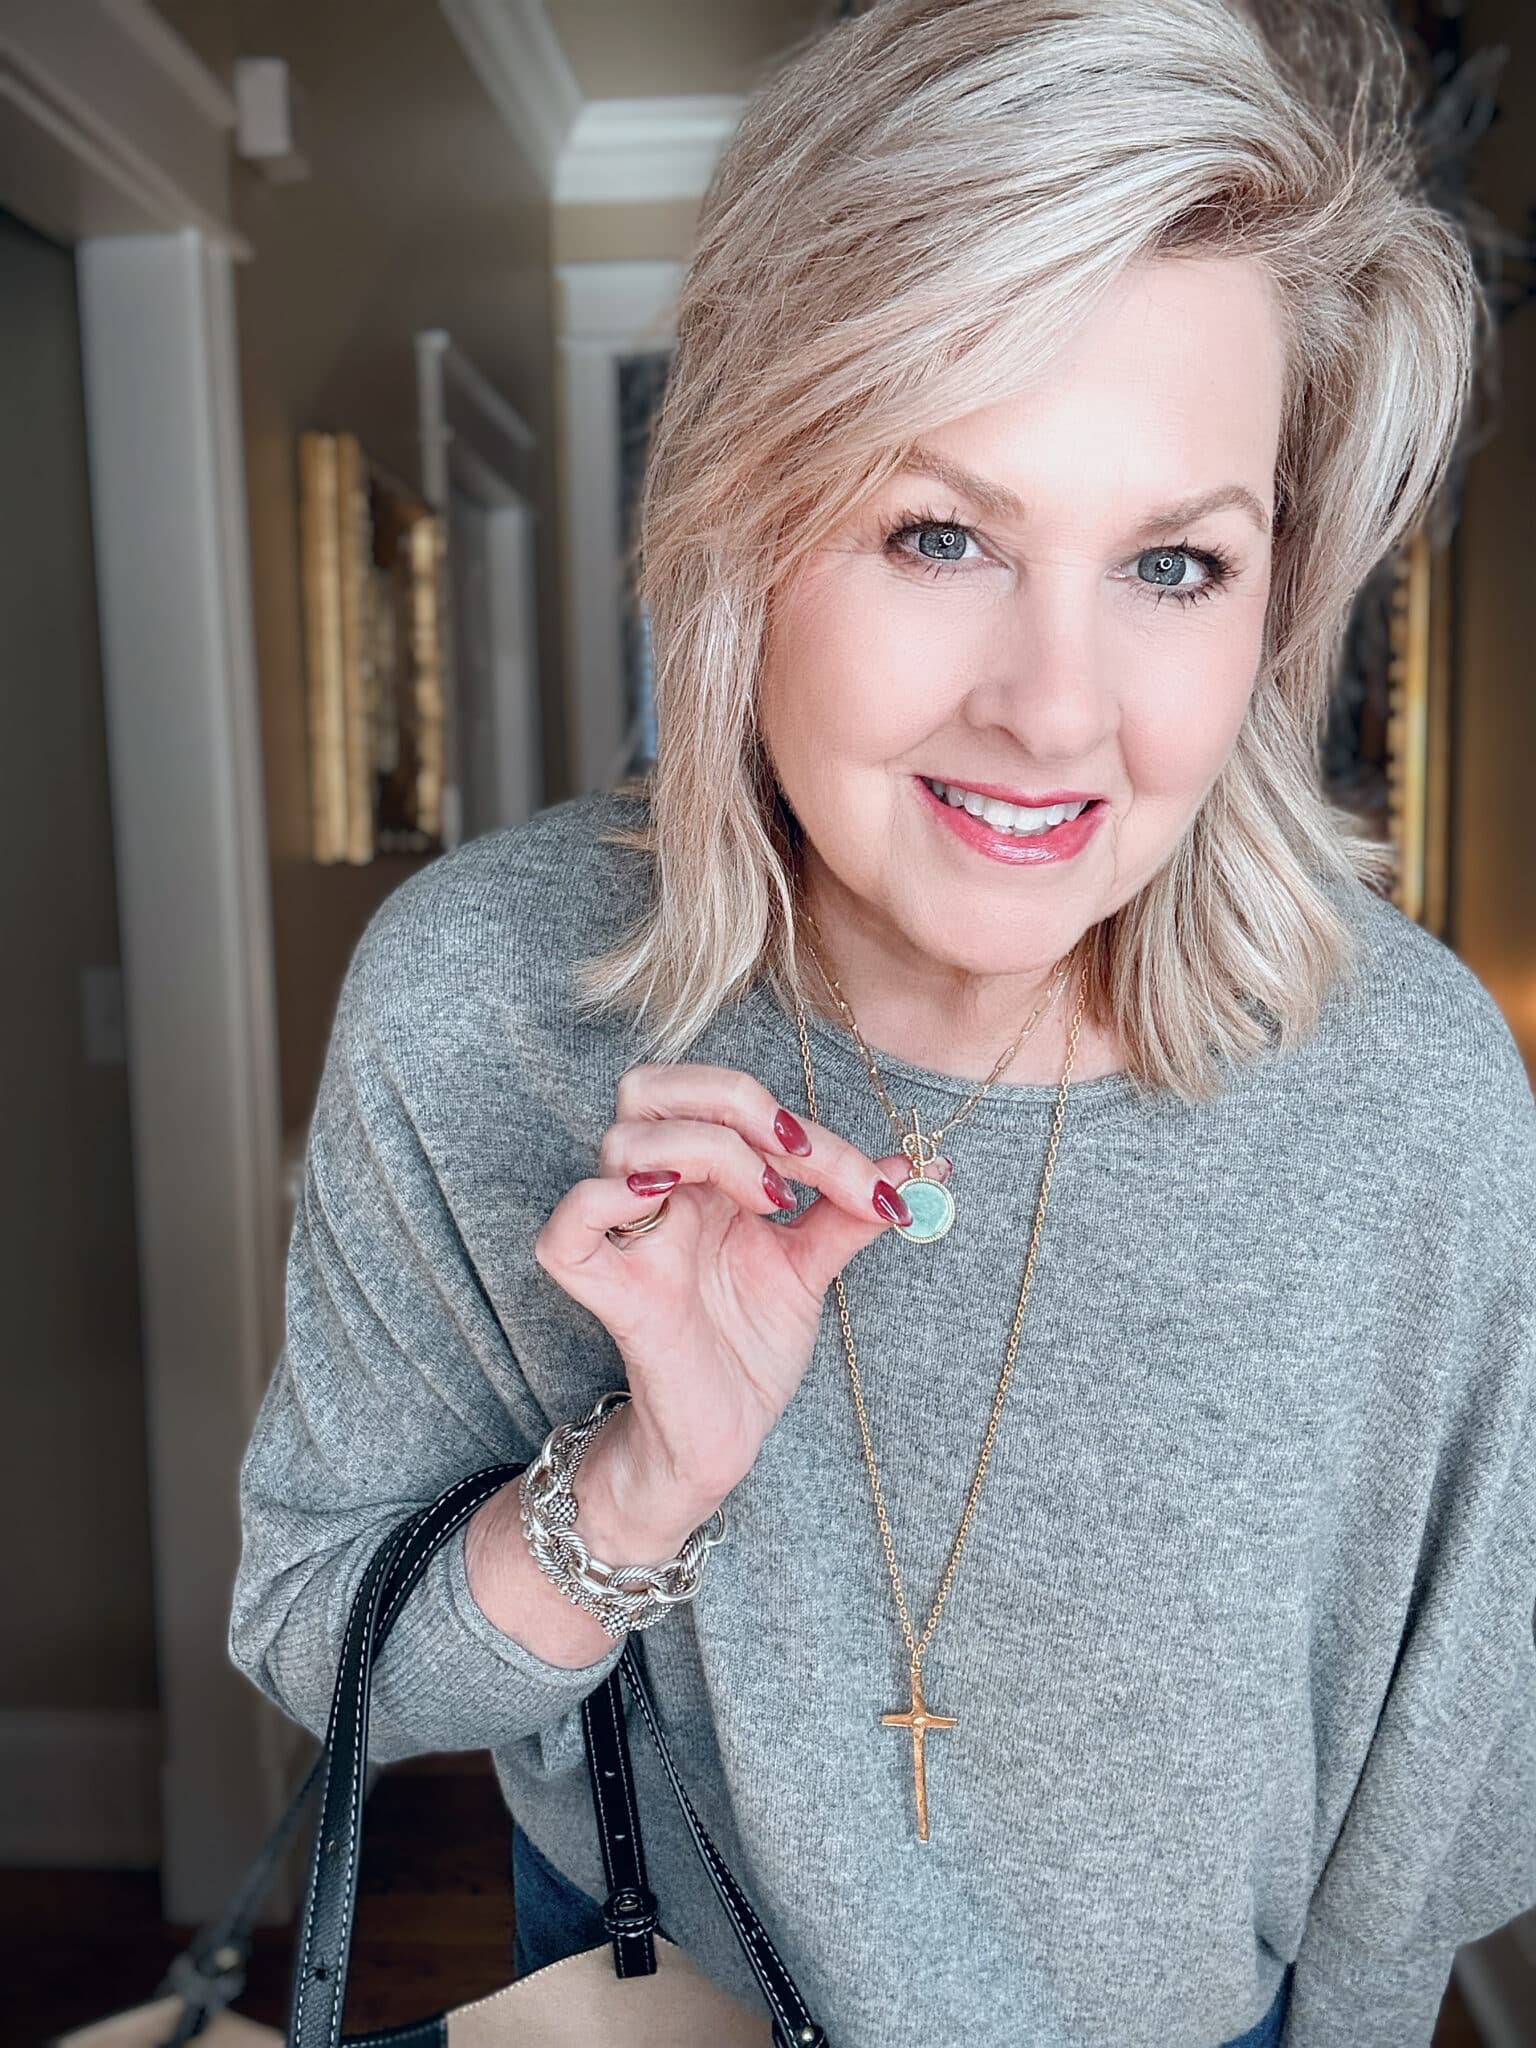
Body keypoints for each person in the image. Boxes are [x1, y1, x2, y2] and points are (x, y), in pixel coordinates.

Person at [231, 1, 1536, 2043]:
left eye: (1175, 563)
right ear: (748, 522)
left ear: (1277, 604)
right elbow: (332, 1641)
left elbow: (1449, 1774)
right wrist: (639, 1489)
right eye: (942, 532)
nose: (1056, 706)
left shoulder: (1418, 1092)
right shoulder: (488, 1007)